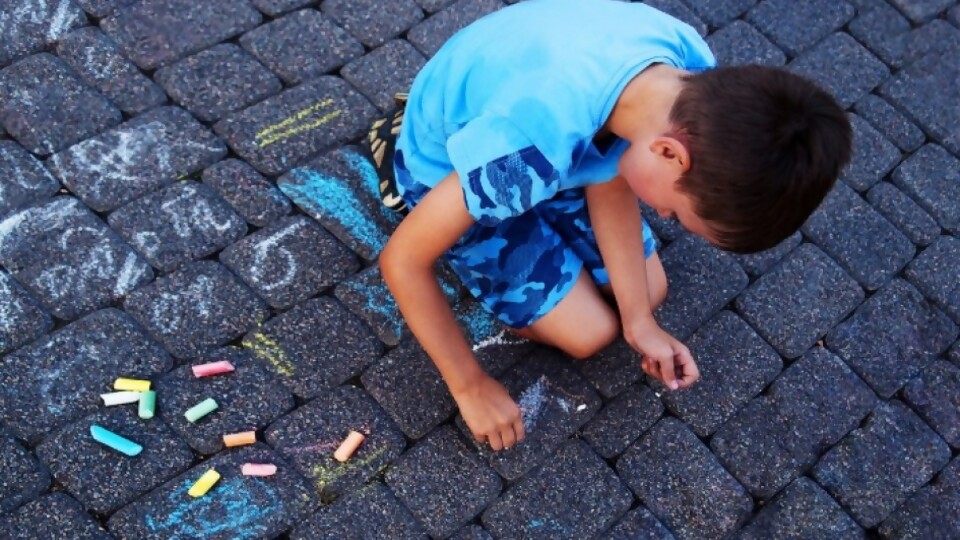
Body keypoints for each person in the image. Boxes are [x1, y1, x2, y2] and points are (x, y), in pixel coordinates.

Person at [374, 0, 852, 452]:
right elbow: (403, 261)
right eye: (677, 215)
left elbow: (612, 176)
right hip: (463, 161)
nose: (665, 217)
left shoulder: (688, 73)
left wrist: (640, 322)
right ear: (671, 154)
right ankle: (393, 149)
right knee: (589, 334)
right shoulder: (525, 150)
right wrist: (470, 385)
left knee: (649, 291)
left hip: (540, 135)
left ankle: (567, 242)